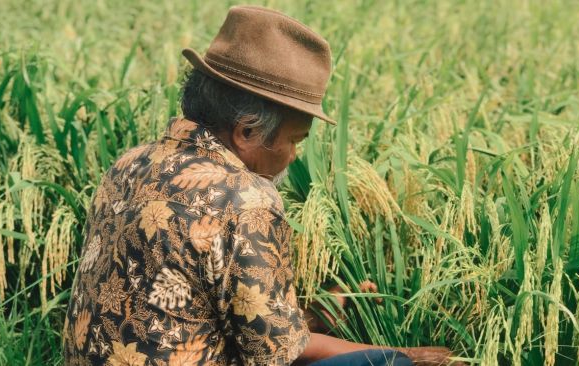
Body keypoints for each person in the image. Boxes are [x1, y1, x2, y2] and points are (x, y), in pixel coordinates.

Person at [63, 5, 461, 366]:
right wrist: (406, 355)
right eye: (295, 140)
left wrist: (314, 313)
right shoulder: (245, 199)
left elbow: (184, 313)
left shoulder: (128, 163)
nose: (293, 156)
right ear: (248, 132)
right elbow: (276, 356)